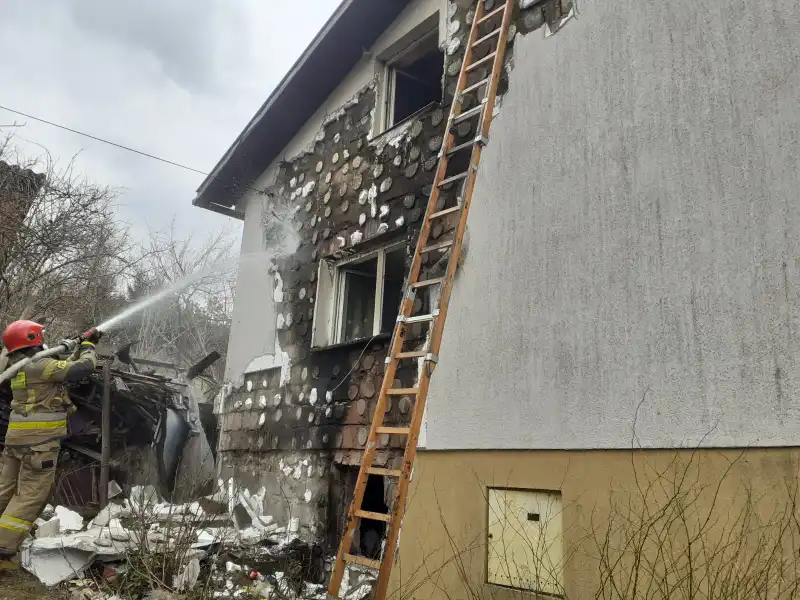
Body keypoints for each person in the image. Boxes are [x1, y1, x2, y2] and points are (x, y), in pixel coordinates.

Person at [0, 320, 101, 566]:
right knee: (30, 495)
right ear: (33, 339)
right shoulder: (41, 365)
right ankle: (3, 548)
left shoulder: (19, 366)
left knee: (5, 489)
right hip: (39, 443)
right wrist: (88, 345)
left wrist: (73, 347)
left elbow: (62, 366)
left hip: (16, 439)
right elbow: (82, 368)